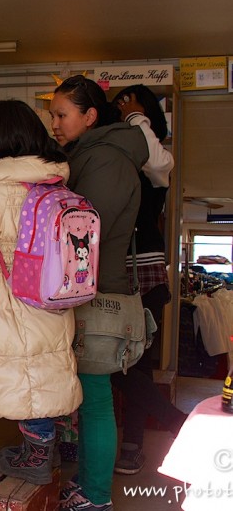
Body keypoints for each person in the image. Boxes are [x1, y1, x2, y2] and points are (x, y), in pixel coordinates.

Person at [0, 99, 83, 486]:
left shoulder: (0, 186)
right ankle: (53, 446)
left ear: (2, 139)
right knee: (43, 368)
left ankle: (35, 457)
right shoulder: (55, 178)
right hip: (54, 294)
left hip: (15, 294)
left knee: (26, 375)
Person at [49, 75, 149, 510]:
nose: (54, 123)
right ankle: (89, 486)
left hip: (97, 292)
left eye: (61, 114)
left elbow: (83, 231)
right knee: (91, 399)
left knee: (95, 400)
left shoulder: (106, 159)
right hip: (90, 290)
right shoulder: (93, 153)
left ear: (89, 116)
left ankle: (96, 496)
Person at [110, 85, 187, 475]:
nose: (125, 110)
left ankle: (146, 440)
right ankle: (146, 440)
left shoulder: (156, 161)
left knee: (129, 364)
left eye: (133, 108)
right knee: (126, 364)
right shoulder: (113, 156)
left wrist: (137, 116)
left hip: (146, 269)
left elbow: (158, 162)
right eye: (120, 107)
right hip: (115, 270)